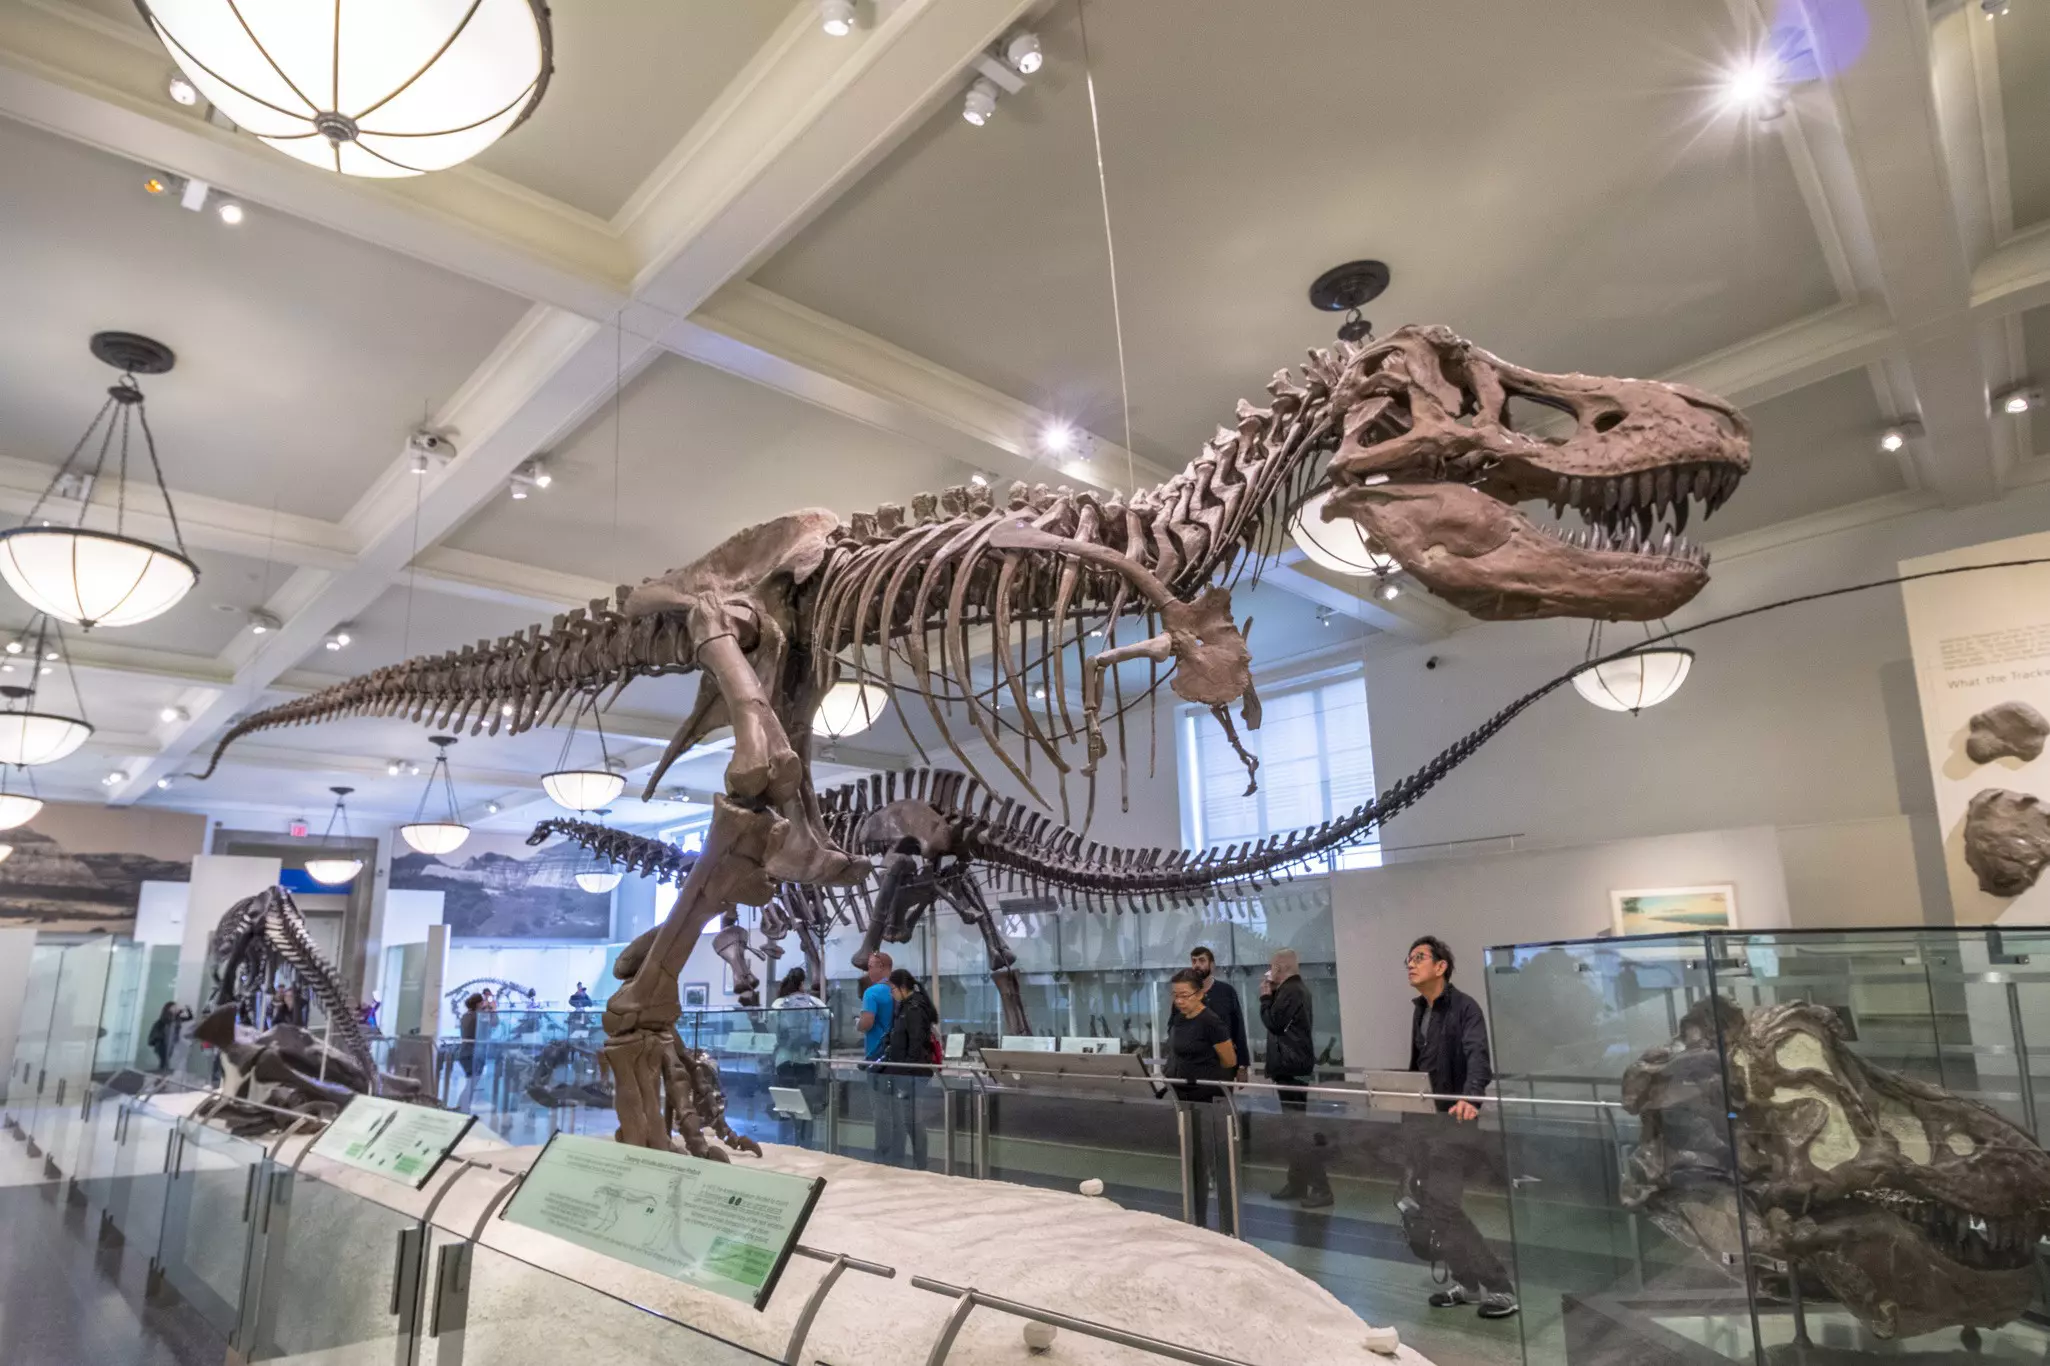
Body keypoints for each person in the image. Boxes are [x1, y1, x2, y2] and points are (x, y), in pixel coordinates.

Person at [1401, 935, 1517, 1319]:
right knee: (1433, 1205)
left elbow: (1478, 1056)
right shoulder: (1421, 1010)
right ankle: (1467, 1284)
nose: (1411, 964)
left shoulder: (1465, 1008)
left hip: (1454, 1121)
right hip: (1424, 1123)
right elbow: (1421, 1068)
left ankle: (1499, 1286)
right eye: (1409, 959)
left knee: (1444, 1205)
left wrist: (1471, 1096)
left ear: (1441, 966)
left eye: (1419, 958)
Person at [1165, 967, 1237, 1229]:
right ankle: (1195, 1217)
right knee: (1192, 1161)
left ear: (1200, 993)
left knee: (1211, 1158)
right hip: (1183, 1097)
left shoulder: (1211, 1022)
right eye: (1176, 996)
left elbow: (1229, 1059)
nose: (1180, 1001)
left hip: (1207, 1100)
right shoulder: (1179, 1019)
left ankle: (1224, 1222)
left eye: (1185, 995)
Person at [1260, 948, 1331, 1209]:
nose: (1269, 972)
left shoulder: (1291, 991)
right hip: (1291, 1066)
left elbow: (1274, 1023)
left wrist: (1265, 999)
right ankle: (1298, 1181)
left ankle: (1321, 1187)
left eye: (1272, 967)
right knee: (1293, 1129)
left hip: (1291, 1068)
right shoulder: (1293, 991)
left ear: (1280, 967)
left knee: (1299, 1129)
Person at [879, 968, 939, 1169]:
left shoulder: (914, 1008)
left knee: (913, 1119)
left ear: (903, 988)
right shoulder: (905, 1007)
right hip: (903, 1073)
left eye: (893, 989)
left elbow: (916, 1042)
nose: (891, 993)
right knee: (907, 1119)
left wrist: (906, 1075)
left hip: (912, 1074)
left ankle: (920, 1164)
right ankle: (907, 1162)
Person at [855, 952, 897, 1163]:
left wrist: (858, 1023)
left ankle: (882, 1156)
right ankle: (898, 1155)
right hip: (898, 1059)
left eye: (871, 966)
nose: (868, 970)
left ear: (882, 966)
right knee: (898, 1110)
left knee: (880, 1110)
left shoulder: (872, 993)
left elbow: (867, 1022)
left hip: (877, 1058)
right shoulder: (897, 991)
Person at [1189, 946, 1249, 1082]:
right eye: (1194, 961)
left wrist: (1242, 1066)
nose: (1197, 965)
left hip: (1222, 1065)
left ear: (1212, 965)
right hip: (1193, 1065)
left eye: (1201, 960)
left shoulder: (1227, 992)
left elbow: (1238, 1028)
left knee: (1221, 1101)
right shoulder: (1186, 994)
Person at [455, 992, 484, 1110]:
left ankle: (461, 1108)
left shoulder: (466, 1015)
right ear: (478, 1004)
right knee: (472, 1084)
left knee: (470, 1084)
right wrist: (492, 1009)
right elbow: (494, 1023)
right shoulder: (477, 1016)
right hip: (473, 1054)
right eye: (482, 1002)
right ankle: (462, 1109)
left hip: (465, 1052)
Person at [145, 1001, 191, 1072]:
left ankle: (163, 1073)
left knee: (166, 1060)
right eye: (174, 1007)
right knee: (164, 1060)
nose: (176, 1008)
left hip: (170, 1043)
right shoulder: (164, 1020)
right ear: (168, 1009)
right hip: (162, 1044)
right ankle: (162, 1074)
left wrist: (187, 1009)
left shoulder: (176, 1019)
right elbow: (163, 1029)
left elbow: (189, 1017)